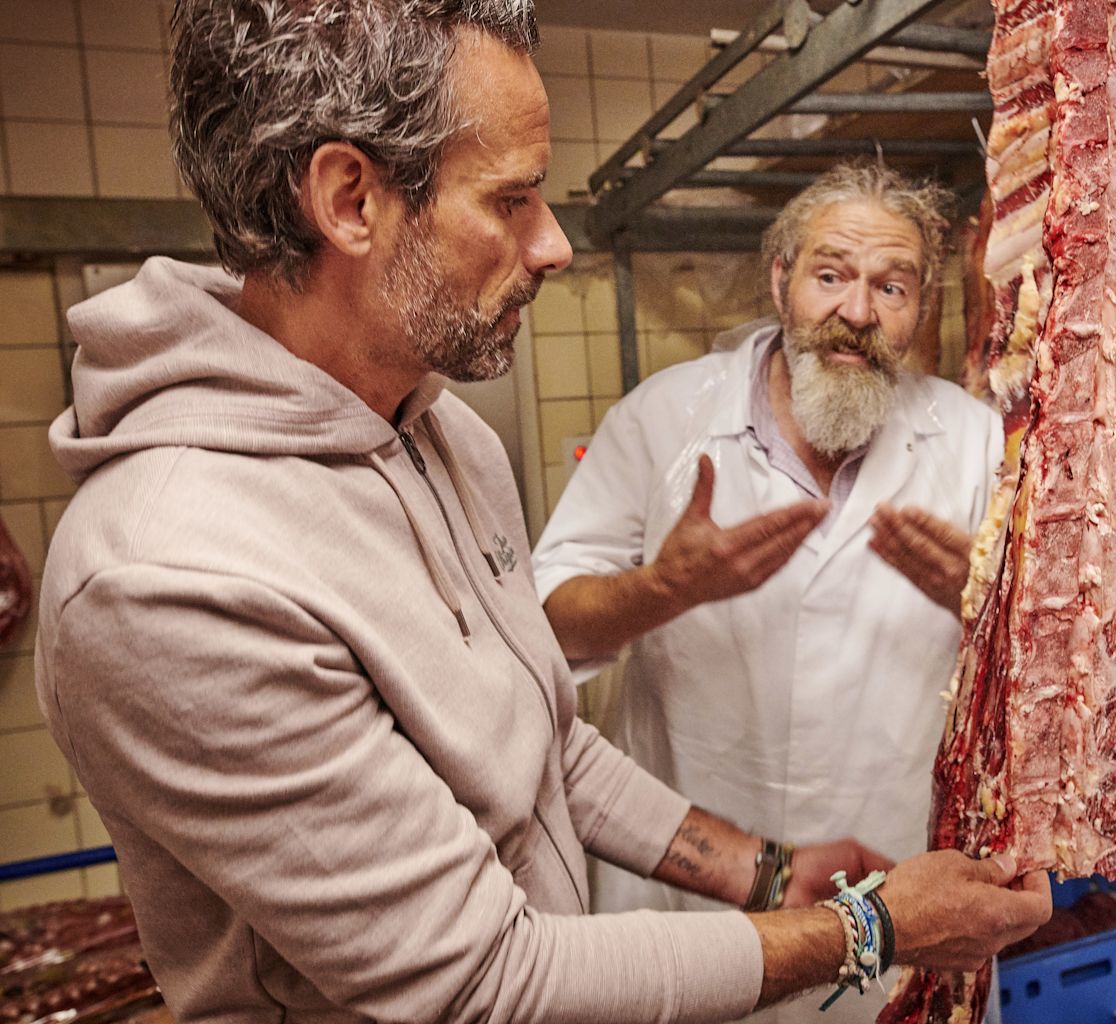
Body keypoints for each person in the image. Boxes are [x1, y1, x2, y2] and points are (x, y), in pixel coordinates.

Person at [33, 2, 1049, 1022]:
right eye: (512, 200)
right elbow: (480, 982)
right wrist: (877, 930)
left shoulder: (443, 438)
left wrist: (765, 867)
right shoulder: (170, 573)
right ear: (350, 200)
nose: (555, 245)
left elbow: (542, 738)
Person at [531, 164, 1008, 1020]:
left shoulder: (975, 442)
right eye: (830, 275)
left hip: (901, 886)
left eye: (891, 286)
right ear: (779, 277)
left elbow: (1040, 685)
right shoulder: (663, 419)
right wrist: (662, 590)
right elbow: (542, 628)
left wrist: (981, 605)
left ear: (920, 306)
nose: (857, 313)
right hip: (694, 896)